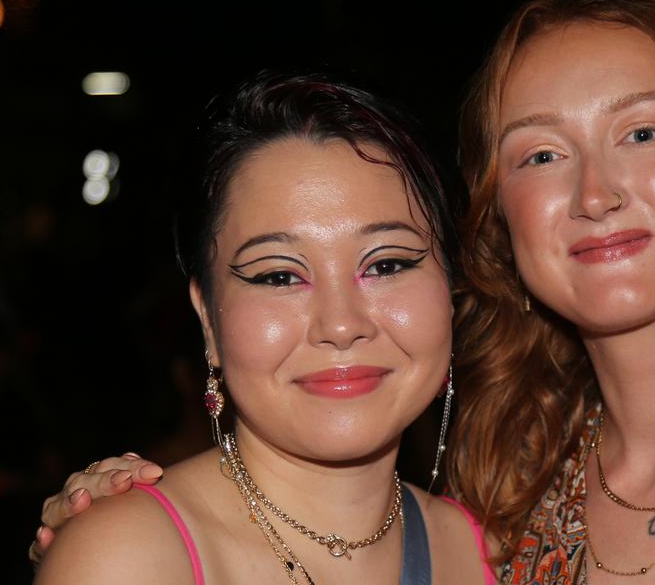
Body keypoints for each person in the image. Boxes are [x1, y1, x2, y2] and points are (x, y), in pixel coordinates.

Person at [34, 0, 655, 583]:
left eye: (639, 133)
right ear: (500, 230)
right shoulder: (500, 496)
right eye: (540, 155)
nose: (595, 192)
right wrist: (115, 530)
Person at [33, 72, 495, 584]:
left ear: (451, 288)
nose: (341, 324)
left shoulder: (490, 554)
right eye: (279, 275)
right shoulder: (129, 559)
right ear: (207, 317)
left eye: (386, 265)